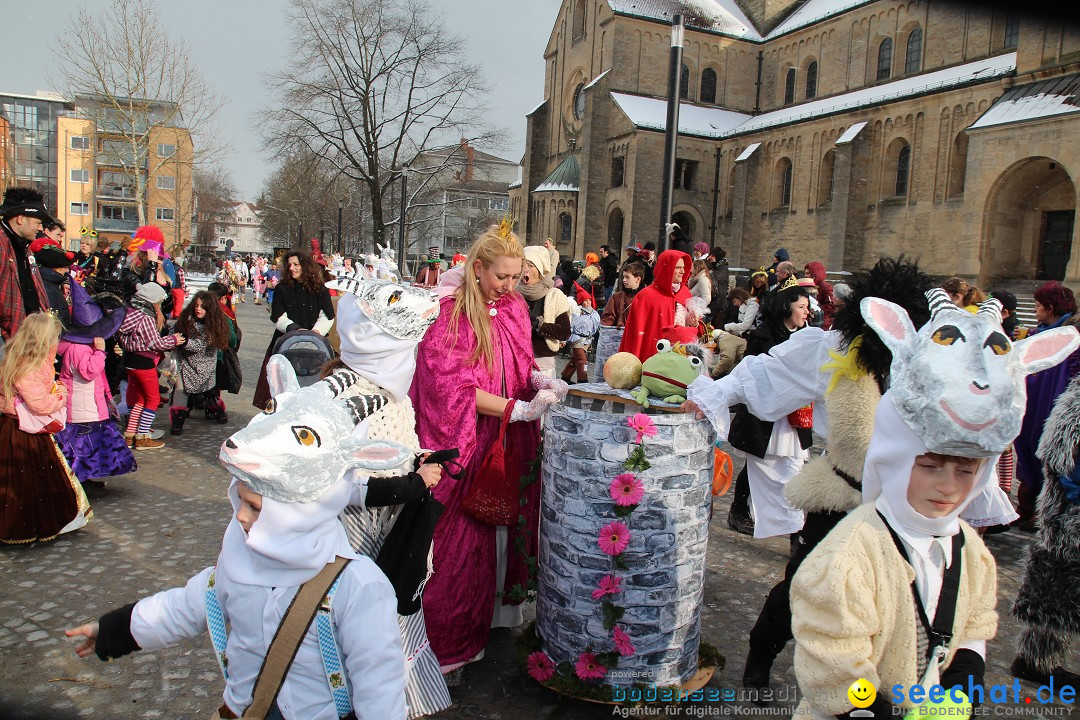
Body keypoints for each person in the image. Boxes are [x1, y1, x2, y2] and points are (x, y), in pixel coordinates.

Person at [788, 291, 1076, 718]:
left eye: (966, 471)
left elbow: (975, 620)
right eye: (930, 466)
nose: (948, 487)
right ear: (899, 456)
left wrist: (961, 686)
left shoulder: (969, 548)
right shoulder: (848, 556)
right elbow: (832, 656)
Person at [64, 446, 412, 718]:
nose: (240, 516)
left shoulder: (358, 585)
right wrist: (113, 632)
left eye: (255, 506)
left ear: (298, 511)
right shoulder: (238, 565)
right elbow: (183, 608)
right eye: (240, 500)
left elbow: (378, 680)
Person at [410, 224, 564, 681]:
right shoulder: (450, 314)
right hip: (473, 440)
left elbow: (519, 363)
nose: (512, 286)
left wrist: (539, 382)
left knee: (504, 523)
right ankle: (449, 639)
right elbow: (451, 387)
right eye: (502, 277)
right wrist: (515, 409)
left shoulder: (514, 306)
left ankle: (497, 613)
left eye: (518, 277)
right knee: (462, 537)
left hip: (510, 436)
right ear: (477, 269)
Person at [726, 283, 813, 540]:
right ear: (787, 308)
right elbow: (749, 372)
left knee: (793, 468)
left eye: (808, 307)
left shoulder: (809, 337)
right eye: (801, 307)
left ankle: (794, 530)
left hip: (795, 415)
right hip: (765, 415)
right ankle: (739, 509)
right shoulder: (764, 336)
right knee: (757, 462)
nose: (806, 312)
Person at [1011, 375, 1080, 685]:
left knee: (1058, 593)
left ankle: (1037, 661)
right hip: (1070, 517)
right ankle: (1036, 663)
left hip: (1068, 514)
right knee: (1055, 592)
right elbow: (1060, 457)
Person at [0, 312, 91, 543]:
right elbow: (40, 405)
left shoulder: (12, 356)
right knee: (30, 481)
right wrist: (61, 395)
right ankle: (27, 526)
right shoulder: (29, 366)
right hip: (25, 432)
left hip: (11, 425)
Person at [1012, 280, 1080, 530]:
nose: (1037, 310)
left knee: (1050, 457)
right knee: (1028, 452)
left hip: (1054, 406)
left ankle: (1042, 513)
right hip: (1034, 403)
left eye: (1039, 306)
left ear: (1051, 308)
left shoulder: (1073, 337)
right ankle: (1026, 508)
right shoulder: (1041, 331)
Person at [54, 282, 135, 490]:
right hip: (82, 408)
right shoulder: (79, 350)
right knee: (82, 447)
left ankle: (86, 478)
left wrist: (107, 396)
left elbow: (100, 379)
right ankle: (80, 480)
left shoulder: (82, 347)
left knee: (89, 446)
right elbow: (89, 372)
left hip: (90, 404)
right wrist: (100, 352)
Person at [253, 250, 335, 410]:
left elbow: (327, 315)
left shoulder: (320, 288)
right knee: (281, 387)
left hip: (316, 345)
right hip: (285, 341)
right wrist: (296, 330)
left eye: (296, 264)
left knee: (316, 384)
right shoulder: (282, 288)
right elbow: (278, 315)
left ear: (304, 266)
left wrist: (315, 332)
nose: (292, 268)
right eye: (289, 265)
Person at [118, 282, 184, 450]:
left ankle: (130, 435)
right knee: (152, 400)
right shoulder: (145, 317)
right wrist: (174, 340)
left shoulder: (130, 314)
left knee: (140, 399)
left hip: (130, 361)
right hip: (143, 362)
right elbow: (154, 343)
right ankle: (143, 436)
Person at [169, 291, 235, 435]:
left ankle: (218, 411)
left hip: (205, 366)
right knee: (180, 392)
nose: (198, 309)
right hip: (185, 363)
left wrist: (184, 341)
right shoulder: (186, 319)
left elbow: (200, 345)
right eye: (197, 305)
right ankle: (177, 422)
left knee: (209, 394)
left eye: (203, 307)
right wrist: (171, 336)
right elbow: (173, 330)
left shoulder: (214, 325)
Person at [617, 249, 694, 362]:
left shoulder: (685, 293)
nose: (682, 271)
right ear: (667, 268)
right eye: (678, 267)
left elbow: (691, 325)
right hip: (653, 356)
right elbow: (634, 336)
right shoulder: (646, 296)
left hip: (681, 356)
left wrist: (695, 324)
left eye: (683, 267)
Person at [0, 188, 53, 341]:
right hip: (6, 339)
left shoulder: (25, 247)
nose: (41, 228)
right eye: (38, 223)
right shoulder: (2, 243)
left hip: (23, 336)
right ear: (21, 219)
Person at [522, 246, 571, 378]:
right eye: (522, 265)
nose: (525, 269)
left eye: (530, 265)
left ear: (539, 269)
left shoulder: (554, 295)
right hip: (517, 363)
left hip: (543, 366)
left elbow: (565, 331)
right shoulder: (512, 293)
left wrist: (541, 326)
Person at [32, 238, 75, 329]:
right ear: (56, 268)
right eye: (65, 267)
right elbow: (56, 322)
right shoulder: (49, 288)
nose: (67, 270)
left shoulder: (49, 282)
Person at [561, 289, 601, 383]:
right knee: (582, 360)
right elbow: (570, 326)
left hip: (587, 340)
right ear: (581, 302)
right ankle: (582, 380)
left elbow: (597, 326)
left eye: (589, 300)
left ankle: (565, 377)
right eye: (585, 300)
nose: (588, 302)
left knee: (575, 359)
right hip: (577, 339)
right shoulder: (576, 313)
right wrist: (564, 340)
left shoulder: (594, 313)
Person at [601, 261, 646, 328]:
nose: (624, 280)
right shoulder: (616, 297)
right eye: (623, 277)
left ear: (638, 279)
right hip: (619, 336)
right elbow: (607, 320)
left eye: (627, 277)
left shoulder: (646, 298)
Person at [802, 261, 835, 329]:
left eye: (808, 273)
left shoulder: (826, 287)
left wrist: (817, 310)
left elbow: (830, 306)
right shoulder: (809, 287)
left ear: (815, 274)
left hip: (823, 323)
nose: (806, 276)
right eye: (805, 273)